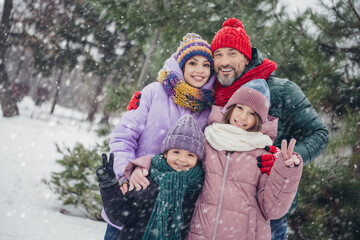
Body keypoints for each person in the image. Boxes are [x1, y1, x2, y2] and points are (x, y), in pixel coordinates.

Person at [127, 18, 329, 239]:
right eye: (218, 55)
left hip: (263, 210)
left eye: (232, 53)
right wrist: (147, 101)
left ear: (246, 56)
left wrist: (285, 159)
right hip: (209, 210)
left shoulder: (282, 90)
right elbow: (185, 108)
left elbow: (319, 134)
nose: (224, 61)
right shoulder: (214, 89)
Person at [102, 33, 216, 240]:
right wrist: (124, 173)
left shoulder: (210, 109)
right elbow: (123, 137)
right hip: (135, 197)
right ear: (181, 65)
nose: (199, 70)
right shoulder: (154, 92)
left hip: (174, 212)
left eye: (206, 65)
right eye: (192, 63)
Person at [186, 79, 303, 239]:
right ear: (230, 108)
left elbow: (273, 209)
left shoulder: (264, 152)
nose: (243, 116)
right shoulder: (209, 139)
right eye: (239, 108)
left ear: (259, 119)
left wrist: (285, 172)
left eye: (252, 113)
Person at [97, 115, 205, 240]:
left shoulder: (197, 187)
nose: (182, 159)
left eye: (190, 155)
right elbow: (120, 215)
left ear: (198, 159)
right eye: (176, 152)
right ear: (165, 153)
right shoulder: (146, 178)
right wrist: (109, 184)